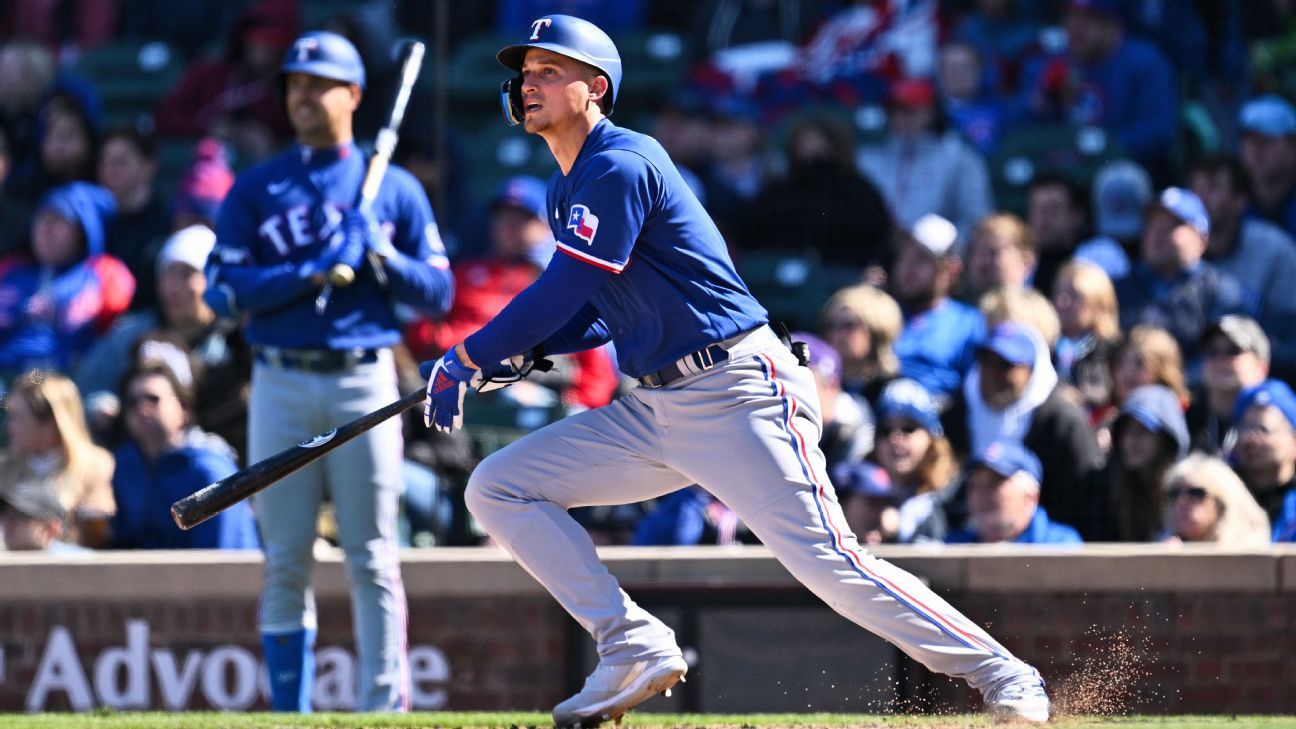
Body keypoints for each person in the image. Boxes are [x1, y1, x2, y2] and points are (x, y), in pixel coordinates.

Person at [421, 15, 1050, 727]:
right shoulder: (566, 188)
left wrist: (469, 353)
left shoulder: (620, 162)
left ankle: (1005, 673)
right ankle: (630, 640)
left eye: (547, 71)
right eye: (524, 72)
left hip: (738, 389)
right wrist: (522, 351)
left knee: (832, 564)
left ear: (594, 88)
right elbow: (596, 311)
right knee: (500, 485)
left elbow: (563, 289)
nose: (527, 83)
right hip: (658, 406)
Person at [204, 30, 454, 713]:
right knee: (285, 557)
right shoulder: (258, 186)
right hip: (278, 378)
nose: (302, 95)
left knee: (372, 553)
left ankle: (383, 706)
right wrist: (306, 271)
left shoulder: (393, 188)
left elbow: (437, 291)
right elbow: (222, 292)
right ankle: (291, 713)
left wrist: (379, 254)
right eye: (294, 83)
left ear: (353, 95)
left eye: (318, 83)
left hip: (364, 378)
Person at [75, 225, 252, 460]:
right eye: (167, 274)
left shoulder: (238, 342)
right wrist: (100, 406)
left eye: (186, 274)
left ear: (213, 281)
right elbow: (87, 385)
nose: (172, 287)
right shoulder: (130, 335)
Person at [109, 361, 257, 551]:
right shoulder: (126, 465)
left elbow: (219, 559)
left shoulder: (209, 469)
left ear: (184, 408)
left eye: (153, 399)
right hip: (149, 576)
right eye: (132, 401)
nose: (142, 408)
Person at [0, 181, 135, 377]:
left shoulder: (103, 276)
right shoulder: (11, 271)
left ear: (83, 232)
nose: (45, 229)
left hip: (63, 380)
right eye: (42, 217)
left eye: (58, 220)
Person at [1115, 187, 1253, 367]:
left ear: (1202, 240)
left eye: (1171, 226)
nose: (1157, 233)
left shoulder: (1220, 290)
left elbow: (1223, 357)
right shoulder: (1120, 288)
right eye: (1151, 225)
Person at [1188, 154, 1296, 383]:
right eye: (1196, 188)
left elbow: (1289, 337)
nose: (1201, 198)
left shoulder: (1274, 249)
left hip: (1261, 374)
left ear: (1240, 200)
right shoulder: (1176, 251)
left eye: (1214, 187)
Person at [859, 78, 993, 236]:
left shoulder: (961, 158)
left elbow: (976, 219)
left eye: (912, 110)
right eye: (896, 110)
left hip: (938, 254)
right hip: (877, 250)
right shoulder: (867, 158)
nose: (904, 118)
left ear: (931, 113)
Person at [0, 370, 114, 548]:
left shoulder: (97, 466)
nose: (8, 427)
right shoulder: (4, 468)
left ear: (52, 423)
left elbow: (97, 538)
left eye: (18, 418)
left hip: (73, 571)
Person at [889, 213, 986, 405]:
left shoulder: (970, 323)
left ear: (951, 270)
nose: (907, 268)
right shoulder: (883, 312)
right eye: (904, 256)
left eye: (921, 260)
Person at [1091, 384, 1190, 542]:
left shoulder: (1185, 493)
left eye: (1144, 429)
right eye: (1126, 430)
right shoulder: (1108, 492)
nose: (1132, 439)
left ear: (1167, 440)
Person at [871, 378, 960, 544]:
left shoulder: (955, 495)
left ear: (932, 439)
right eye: (885, 430)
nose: (895, 439)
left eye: (908, 428)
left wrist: (901, 528)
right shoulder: (860, 492)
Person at [945, 440, 1083, 545]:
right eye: (975, 483)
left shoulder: (1060, 545)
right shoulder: (953, 545)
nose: (981, 494)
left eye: (995, 483)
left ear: (1030, 497)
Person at [1186, 316, 1270, 457]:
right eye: (1212, 352)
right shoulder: (1186, 419)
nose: (1220, 359)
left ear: (1262, 367)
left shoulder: (1277, 423)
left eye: (1233, 351)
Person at [1051, 260, 1121, 419]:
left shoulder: (1113, 350)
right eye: (1059, 293)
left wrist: (1075, 396)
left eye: (1074, 295)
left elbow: (1107, 393)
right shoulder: (1044, 345)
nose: (1062, 302)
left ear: (1100, 305)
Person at [819, 284, 903, 406]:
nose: (837, 334)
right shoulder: (821, 387)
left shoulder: (895, 393)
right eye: (831, 325)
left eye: (849, 325)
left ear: (876, 332)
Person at [1161, 454, 1271, 548]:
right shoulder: (1166, 547)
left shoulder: (1250, 551)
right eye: (1174, 494)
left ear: (1222, 503)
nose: (1181, 502)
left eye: (1196, 493)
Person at [1231, 379, 1296, 528]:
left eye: (1263, 429)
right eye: (1244, 427)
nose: (1250, 438)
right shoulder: (1223, 498)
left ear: (1294, 443)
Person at [1236, 94, 1296, 239]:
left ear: (1293, 147)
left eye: (1268, 140)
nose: (1257, 148)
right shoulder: (1231, 205)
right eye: (1249, 140)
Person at [964, 213, 1036, 302]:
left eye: (994, 252)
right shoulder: (952, 310)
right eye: (979, 252)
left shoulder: (1039, 313)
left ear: (1026, 264)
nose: (983, 261)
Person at [0, 482, 88, 552]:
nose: (7, 523)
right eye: (3, 514)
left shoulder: (81, 564)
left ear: (52, 528)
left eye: (18, 516)